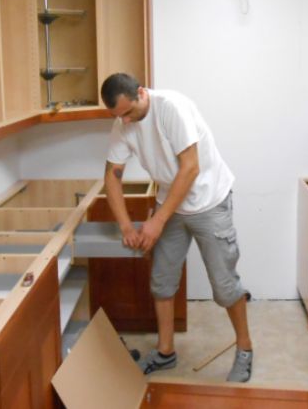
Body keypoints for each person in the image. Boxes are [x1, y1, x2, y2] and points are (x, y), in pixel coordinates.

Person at [100, 73, 253, 383]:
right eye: (119, 116)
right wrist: (127, 226)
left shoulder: (171, 108)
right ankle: (166, 352)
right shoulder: (122, 123)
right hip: (172, 202)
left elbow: (191, 167)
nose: (125, 122)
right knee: (162, 281)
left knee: (224, 286)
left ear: (142, 93)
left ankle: (245, 349)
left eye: (129, 113)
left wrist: (156, 221)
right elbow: (112, 177)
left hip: (209, 200)